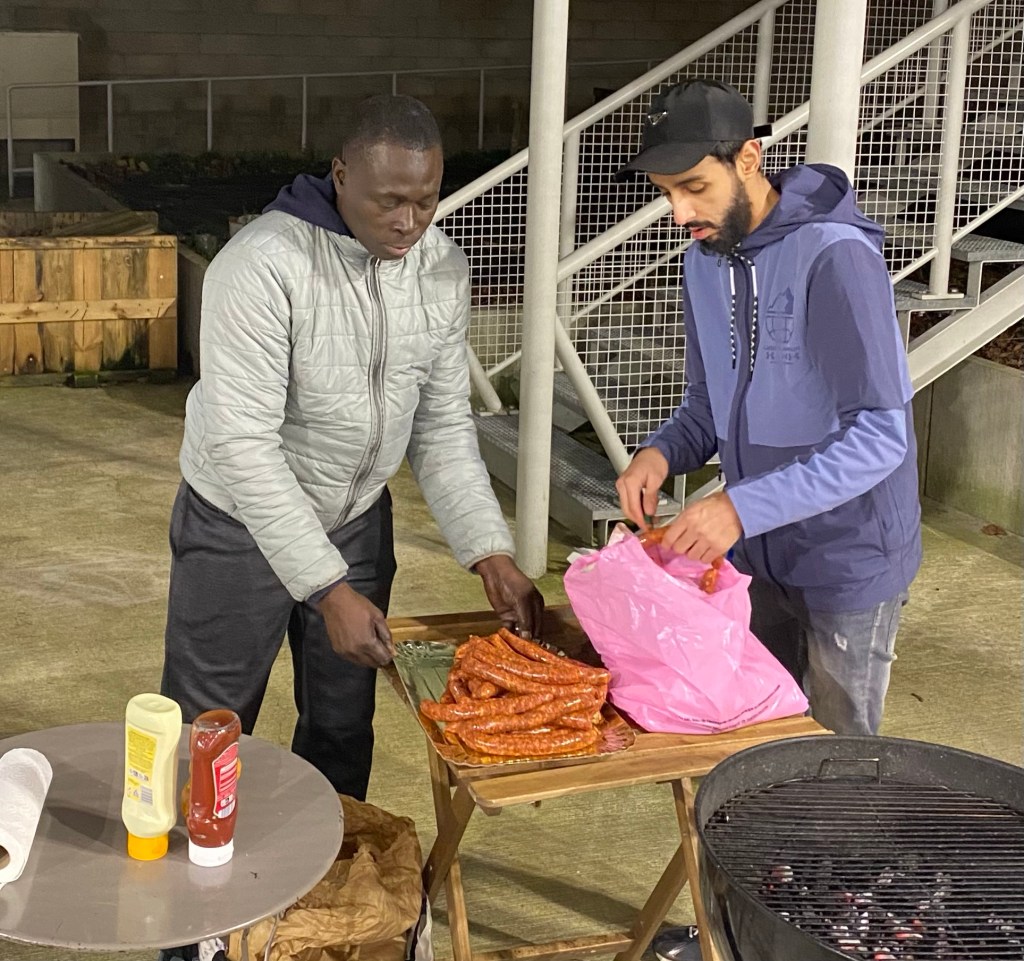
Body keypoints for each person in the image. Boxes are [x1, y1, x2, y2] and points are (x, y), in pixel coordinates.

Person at [161, 94, 544, 807]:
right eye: (389, 201)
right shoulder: (262, 265)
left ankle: (338, 869)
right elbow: (243, 444)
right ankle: (194, 877)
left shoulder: (439, 267)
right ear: (341, 174)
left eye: (426, 200)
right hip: (236, 527)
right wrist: (326, 589)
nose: (409, 222)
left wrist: (489, 553)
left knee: (342, 727)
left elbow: (440, 425)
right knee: (208, 728)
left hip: (357, 520)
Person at [614, 78, 922, 741]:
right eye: (666, 193)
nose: (680, 212)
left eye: (694, 186)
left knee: (836, 753)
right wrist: (659, 452)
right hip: (755, 558)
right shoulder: (703, 263)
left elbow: (880, 434)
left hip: (848, 558)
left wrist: (738, 507)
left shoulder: (836, 256)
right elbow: (708, 405)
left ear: (748, 159)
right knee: (759, 740)